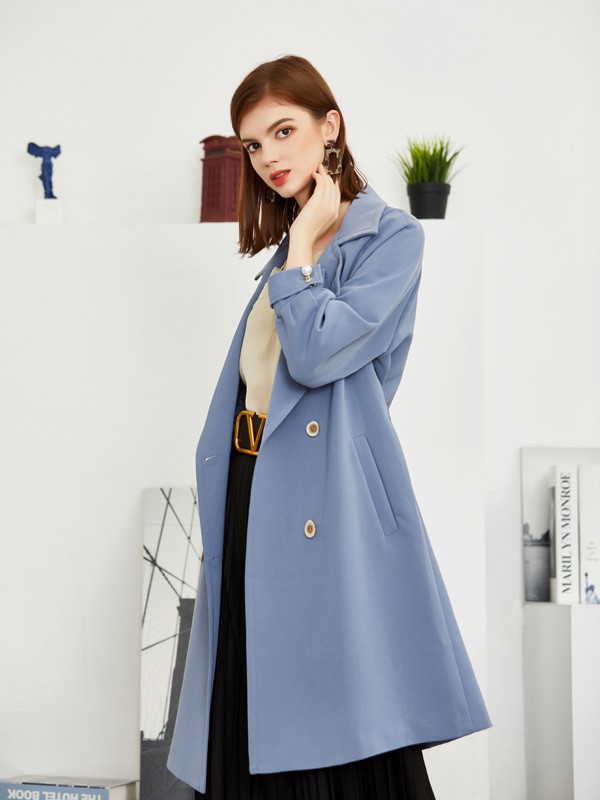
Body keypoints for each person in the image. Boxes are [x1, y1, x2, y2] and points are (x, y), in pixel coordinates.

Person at [167, 54, 492, 799]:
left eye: (284, 131)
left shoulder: (391, 238)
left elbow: (316, 357)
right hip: (252, 483)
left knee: (330, 715)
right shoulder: (291, 246)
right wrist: (301, 244)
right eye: (254, 144)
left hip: (324, 496)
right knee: (252, 701)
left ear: (330, 126)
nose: (268, 157)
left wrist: (307, 244)